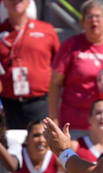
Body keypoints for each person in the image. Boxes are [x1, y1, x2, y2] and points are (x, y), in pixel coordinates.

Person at [49, 0, 103, 140]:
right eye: (89, 17)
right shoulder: (71, 45)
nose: (94, 21)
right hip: (76, 123)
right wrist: (53, 117)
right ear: (82, 22)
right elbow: (55, 83)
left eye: (98, 17)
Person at [0, 0, 59, 129]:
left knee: (42, 143)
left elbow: (58, 68)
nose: (16, 1)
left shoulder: (46, 30)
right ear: (3, 3)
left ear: (29, 2)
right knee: (10, 145)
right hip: (7, 103)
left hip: (39, 102)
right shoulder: (1, 32)